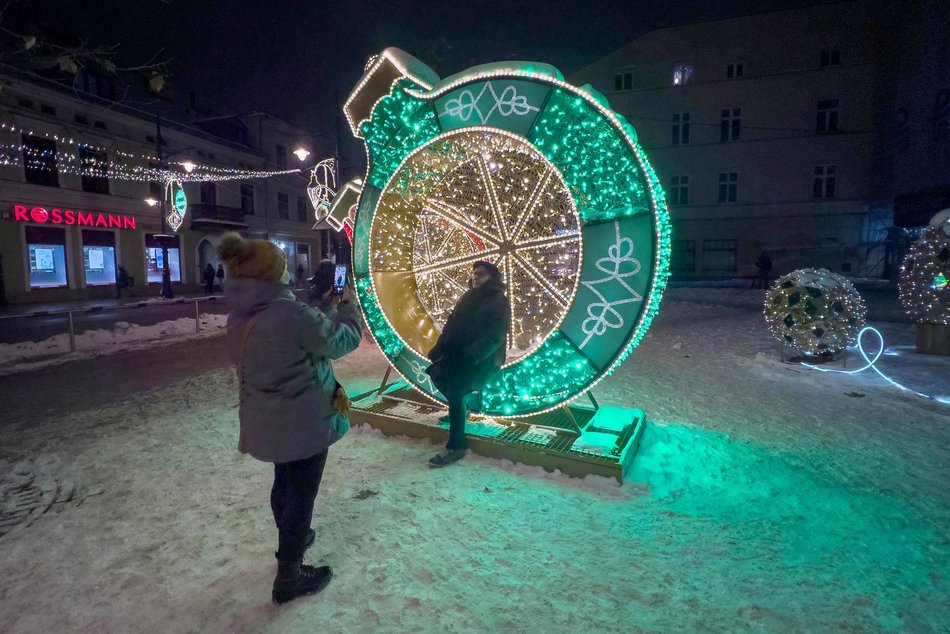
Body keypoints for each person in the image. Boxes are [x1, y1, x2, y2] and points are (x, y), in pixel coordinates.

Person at [218, 232, 361, 605]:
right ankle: (290, 573)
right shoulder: (290, 313)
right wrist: (347, 310)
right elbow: (338, 342)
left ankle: (290, 537)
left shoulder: (241, 316)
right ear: (274, 273)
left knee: (285, 482)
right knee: (301, 493)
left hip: (268, 420)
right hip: (304, 419)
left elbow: (296, 340)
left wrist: (321, 310)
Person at [425, 261, 509, 468]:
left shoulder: (498, 300)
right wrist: (439, 348)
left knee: (456, 390)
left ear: (492, 277)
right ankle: (461, 409)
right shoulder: (468, 297)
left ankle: (457, 446)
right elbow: (451, 325)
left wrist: (475, 354)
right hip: (459, 355)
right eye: (474, 274)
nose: (475, 277)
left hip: (482, 359)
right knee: (436, 373)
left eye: (480, 273)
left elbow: (496, 334)